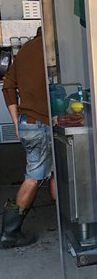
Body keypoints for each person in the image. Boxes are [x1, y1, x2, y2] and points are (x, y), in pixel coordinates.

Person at [0, 27, 54, 249]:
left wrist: (16, 121)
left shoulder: (24, 51)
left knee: (54, 171)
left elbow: (8, 86)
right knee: (34, 177)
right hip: (42, 123)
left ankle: (69, 222)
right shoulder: (52, 50)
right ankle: (9, 233)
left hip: (27, 123)